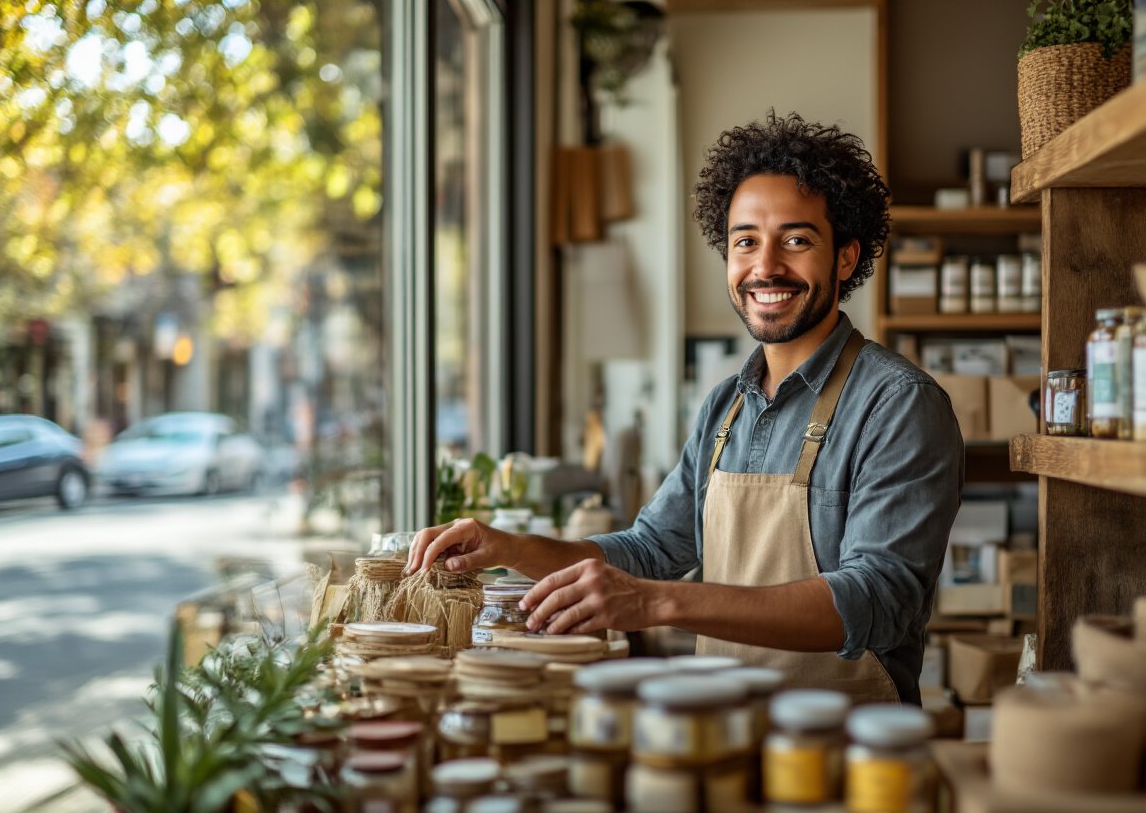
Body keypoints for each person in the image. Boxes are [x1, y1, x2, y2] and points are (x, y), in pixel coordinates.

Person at [408, 111, 963, 704]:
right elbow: (650, 551)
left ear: (846, 258)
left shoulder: (898, 404)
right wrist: (511, 548)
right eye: (745, 242)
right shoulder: (726, 407)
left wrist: (656, 603)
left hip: (850, 743)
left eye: (796, 240)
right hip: (721, 730)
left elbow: (878, 598)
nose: (765, 266)